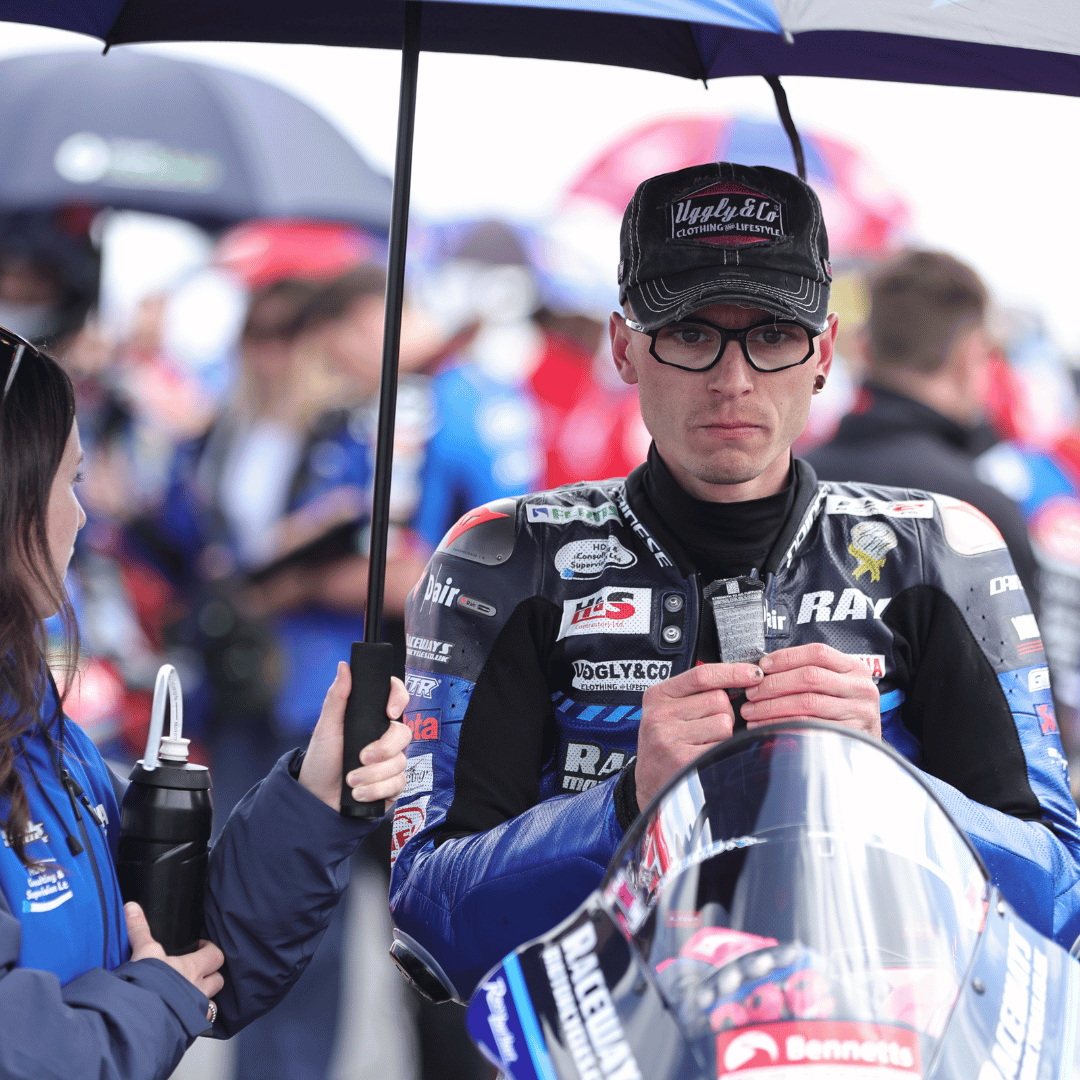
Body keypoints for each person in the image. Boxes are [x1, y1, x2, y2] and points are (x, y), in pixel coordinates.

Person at [388, 162, 1080, 1002]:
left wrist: (888, 787)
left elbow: (1058, 900)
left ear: (823, 352)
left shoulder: (939, 547)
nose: (733, 379)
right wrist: (625, 805)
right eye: (689, 332)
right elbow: (430, 923)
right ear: (623, 346)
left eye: (773, 334)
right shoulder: (504, 556)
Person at [0, 325, 412, 1078]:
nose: (82, 516)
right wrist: (154, 1001)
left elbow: (189, 942)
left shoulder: (41, 732)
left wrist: (317, 794)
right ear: (14, 498)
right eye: (70, 482)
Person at [806, 249, 1041, 604]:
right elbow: (1024, 658)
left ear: (864, 351)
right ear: (968, 357)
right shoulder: (981, 513)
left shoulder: (793, 481)